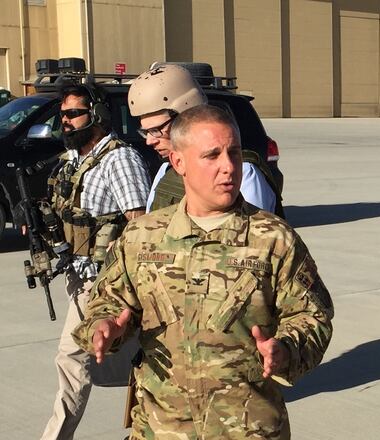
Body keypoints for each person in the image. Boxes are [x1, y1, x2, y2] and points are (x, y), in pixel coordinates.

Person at [71, 105, 334, 439]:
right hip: (161, 428)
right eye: (212, 155)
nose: (228, 167)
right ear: (179, 163)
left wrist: (285, 349)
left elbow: (313, 316)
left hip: (247, 429)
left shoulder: (273, 238)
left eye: (234, 153)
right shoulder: (142, 237)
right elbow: (107, 302)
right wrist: (104, 328)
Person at [41, 83, 151, 439]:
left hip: (104, 281)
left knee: (72, 358)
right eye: (63, 116)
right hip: (78, 275)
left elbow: (140, 226)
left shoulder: (119, 160)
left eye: (73, 114)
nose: (66, 122)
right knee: (135, 359)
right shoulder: (75, 160)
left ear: (98, 115)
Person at [127, 63, 281, 215]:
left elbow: (255, 236)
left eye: (156, 130)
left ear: (186, 115)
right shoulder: (166, 172)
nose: (149, 141)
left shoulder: (241, 173)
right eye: (145, 131)